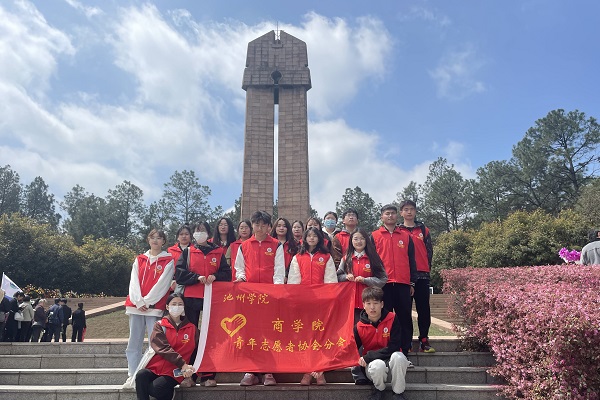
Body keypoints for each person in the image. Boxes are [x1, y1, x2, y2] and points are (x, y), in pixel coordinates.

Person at [234, 210, 284, 386]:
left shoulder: (276, 245)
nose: (260, 228)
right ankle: (251, 371)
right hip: (250, 296)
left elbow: (279, 269)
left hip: (270, 295)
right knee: (250, 332)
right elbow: (239, 268)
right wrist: (241, 279)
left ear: (269, 227)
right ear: (252, 225)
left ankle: (268, 371)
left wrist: (277, 291)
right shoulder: (244, 246)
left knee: (269, 332)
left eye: (264, 225)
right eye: (257, 224)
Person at [287, 227, 337, 386]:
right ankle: (307, 372)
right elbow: (293, 281)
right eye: (309, 235)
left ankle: (320, 371)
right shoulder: (297, 257)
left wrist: (328, 300)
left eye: (315, 236)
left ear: (320, 238)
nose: (312, 238)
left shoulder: (326, 257)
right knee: (305, 337)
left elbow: (331, 281)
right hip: (303, 304)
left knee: (320, 336)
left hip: (321, 304)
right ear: (304, 238)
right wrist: (295, 301)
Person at [338, 228, 388, 385]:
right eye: (355, 239)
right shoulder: (347, 258)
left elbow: (383, 279)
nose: (358, 242)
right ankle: (357, 372)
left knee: (368, 338)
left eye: (361, 238)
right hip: (351, 305)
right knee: (354, 339)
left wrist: (366, 280)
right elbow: (337, 276)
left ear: (366, 240)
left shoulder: (373, 258)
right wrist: (345, 277)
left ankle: (371, 370)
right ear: (351, 242)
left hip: (370, 306)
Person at [124, 229, 175, 378]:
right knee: (134, 341)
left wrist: (148, 302)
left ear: (163, 241)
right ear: (148, 240)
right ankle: (132, 374)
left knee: (154, 342)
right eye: (153, 237)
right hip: (136, 306)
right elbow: (133, 281)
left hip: (154, 308)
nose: (155, 240)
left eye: (159, 238)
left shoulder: (168, 260)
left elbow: (163, 284)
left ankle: (147, 373)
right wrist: (138, 301)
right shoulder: (140, 259)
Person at [135, 293, 200, 400]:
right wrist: (182, 363)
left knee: (156, 389)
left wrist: (192, 371)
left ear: (184, 307)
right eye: (174, 304)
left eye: (180, 304)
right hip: (156, 367)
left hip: (176, 371)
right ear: (167, 306)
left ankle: (168, 394)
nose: (177, 307)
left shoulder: (192, 329)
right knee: (141, 376)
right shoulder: (160, 325)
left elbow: (199, 350)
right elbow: (163, 348)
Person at [371, 204, 416, 356]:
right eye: (387, 213)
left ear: (397, 216)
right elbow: (371, 260)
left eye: (392, 213)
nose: (390, 216)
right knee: (384, 318)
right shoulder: (374, 236)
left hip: (403, 283)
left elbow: (412, 260)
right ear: (381, 217)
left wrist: (412, 282)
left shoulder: (406, 236)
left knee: (405, 317)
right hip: (383, 285)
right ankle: (386, 351)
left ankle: (405, 351)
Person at [354, 287, 410, 400]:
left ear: (382, 304)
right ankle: (379, 390)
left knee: (399, 357)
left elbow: (394, 346)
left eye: (375, 303)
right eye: (368, 303)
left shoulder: (392, 318)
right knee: (378, 365)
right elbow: (351, 349)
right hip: (373, 365)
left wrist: (368, 356)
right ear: (363, 305)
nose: (372, 307)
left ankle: (398, 393)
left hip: (391, 360)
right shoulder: (359, 327)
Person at [398, 199, 435, 353]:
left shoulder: (423, 230)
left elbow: (429, 251)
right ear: (401, 213)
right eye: (406, 209)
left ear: (415, 211)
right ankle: (405, 342)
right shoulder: (398, 231)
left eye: (411, 209)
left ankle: (424, 340)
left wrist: (426, 269)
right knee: (404, 311)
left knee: (424, 309)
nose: (409, 212)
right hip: (404, 276)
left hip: (422, 275)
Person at [270, 217, 298, 283]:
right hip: (272, 277)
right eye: (279, 226)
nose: (281, 228)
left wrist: (286, 275)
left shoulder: (295, 244)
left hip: (290, 278)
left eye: (284, 226)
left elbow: (295, 263)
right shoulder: (270, 243)